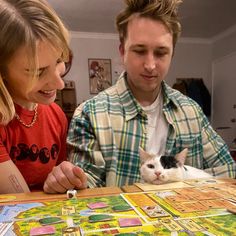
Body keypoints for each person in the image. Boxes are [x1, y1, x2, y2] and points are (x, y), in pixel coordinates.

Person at [67, 0, 236, 188]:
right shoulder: (89, 114)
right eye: (139, 51)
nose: (150, 65)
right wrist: (70, 180)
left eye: (161, 53)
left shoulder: (192, 111)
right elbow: (83, 189)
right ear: (122, 52)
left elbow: (227, 171)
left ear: (172, 54)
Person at [0, 0, 87, 194]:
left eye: (59, 61)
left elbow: (61, 189)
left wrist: (64, 179)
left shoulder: (56, 115)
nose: (59, 84)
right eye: (38, 72)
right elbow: (20, 203)